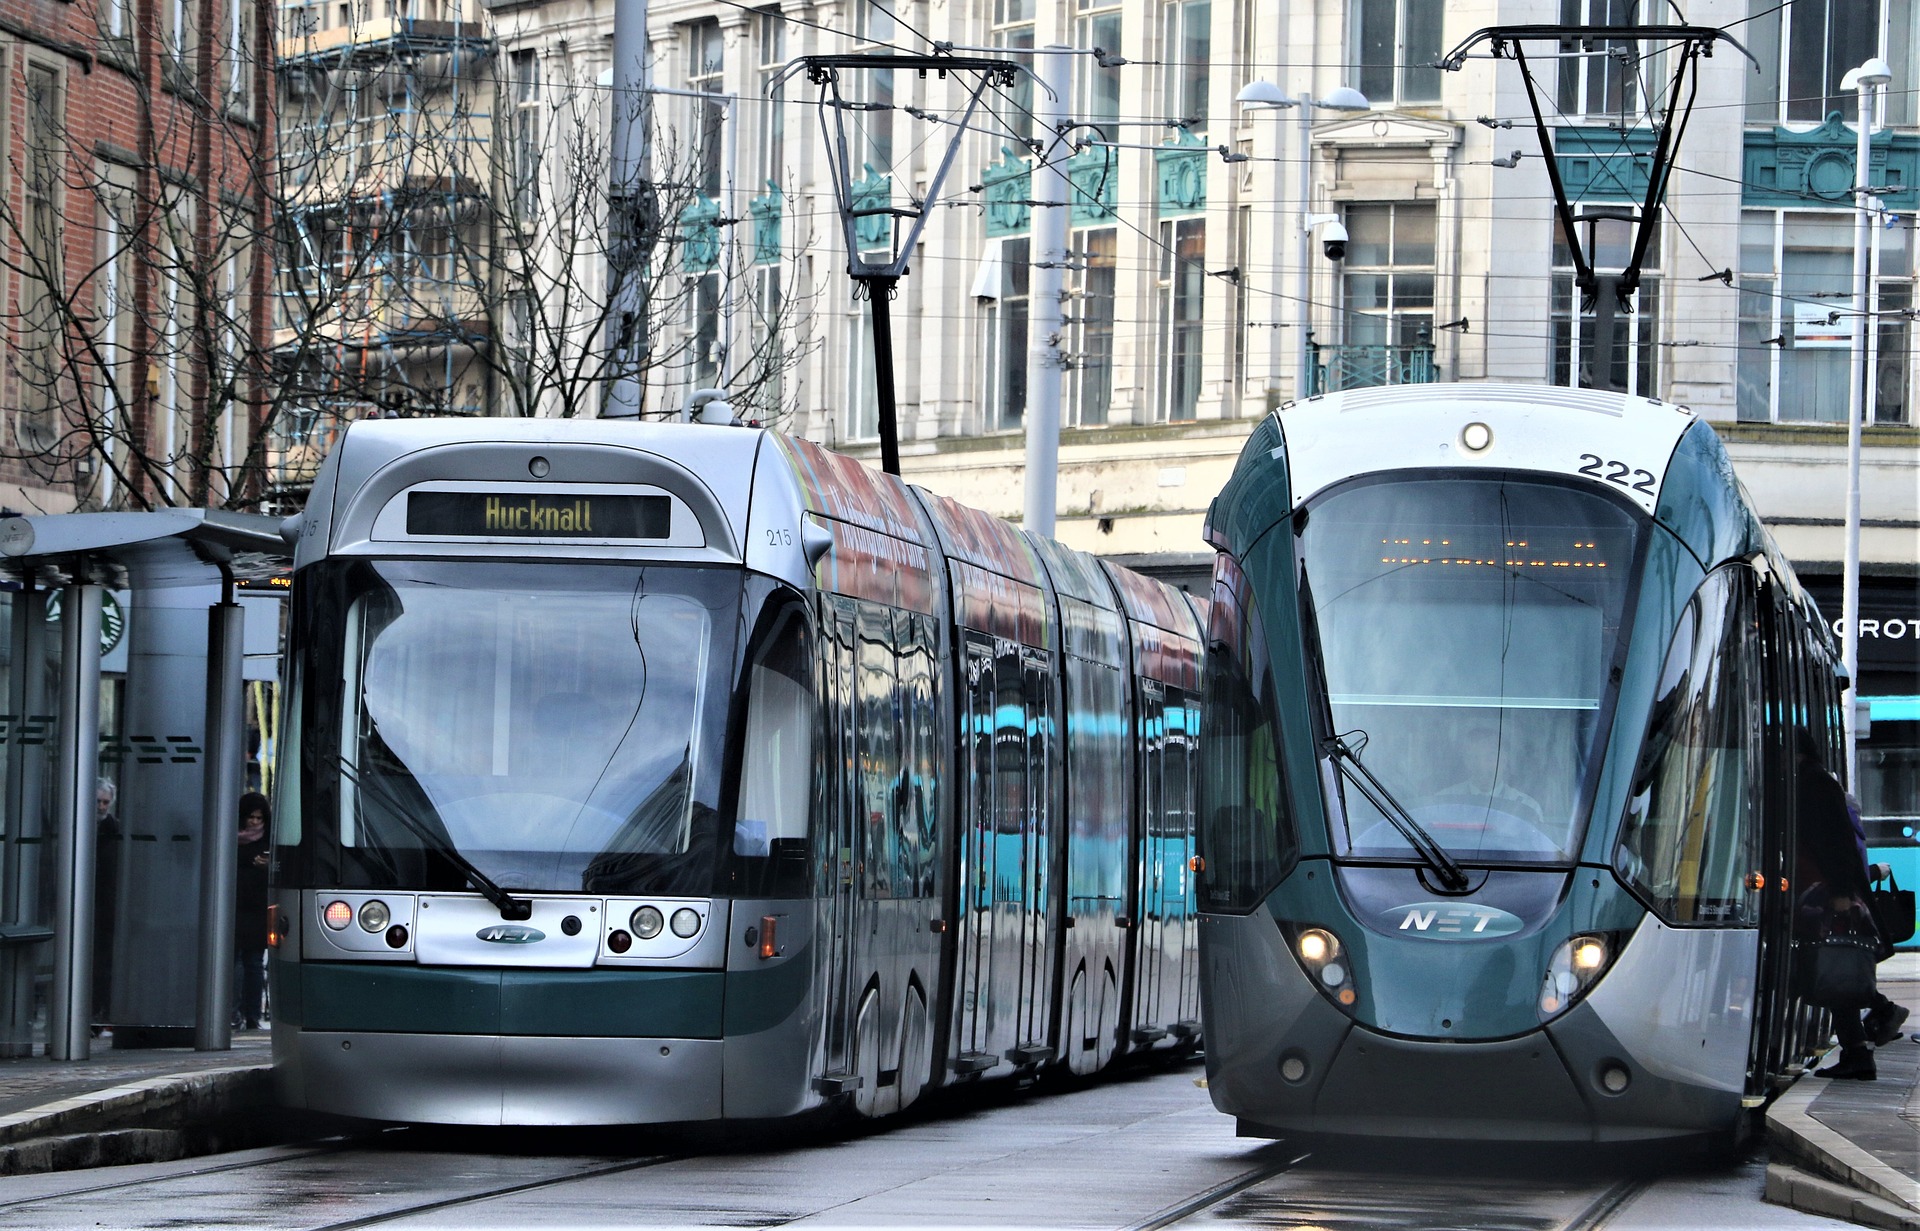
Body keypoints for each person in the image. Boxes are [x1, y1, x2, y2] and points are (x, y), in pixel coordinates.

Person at [1795, 730, 1908, 1080]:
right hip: (1823, 888)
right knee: (1831, 966)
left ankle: (1876, 1021)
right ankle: (1860, 1049)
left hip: (1824, 891)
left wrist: (1841, 892)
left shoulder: (1814, 783)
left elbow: (1838, 842)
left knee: (1832, 966)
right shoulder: (1813, 781)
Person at [233, 792, 272, 1031]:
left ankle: (251, 1014)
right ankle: (236, 1012)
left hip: (256, 909)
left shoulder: (269, 843)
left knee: (253, 963)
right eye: (251, 817)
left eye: (259, 818)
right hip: (236, 907)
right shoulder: (231, 838)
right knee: (238, 962)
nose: (255, 822)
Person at [90, 778, 120, 1037]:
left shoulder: (114, 830)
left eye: (105, 802)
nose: (101, 807)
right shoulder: (81, 825)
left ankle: (99, 1013)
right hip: (90, 903)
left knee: (102, 962)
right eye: (98, 802)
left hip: (105, 906)